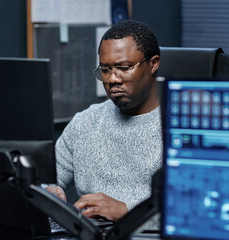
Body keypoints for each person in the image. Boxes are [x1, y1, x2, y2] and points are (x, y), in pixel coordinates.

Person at [47, 20, 162, 222]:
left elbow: (202, 213)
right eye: (106, 69)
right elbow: (45, 179)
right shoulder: (85, 123)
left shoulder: (182, 131)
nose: (112, 79)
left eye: (124, 67)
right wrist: (47, 191)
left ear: (153, 64)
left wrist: (128, 214)